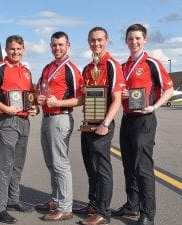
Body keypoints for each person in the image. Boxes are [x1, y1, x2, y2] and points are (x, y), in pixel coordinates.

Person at [112, 23, 174, 225]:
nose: (134, 42)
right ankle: (132, 205)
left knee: (143, 168)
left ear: (145, 39)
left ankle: (148, 213)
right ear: (126, 41)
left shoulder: (151, 63)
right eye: (130, 38)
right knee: (128, 165)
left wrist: (154, 106)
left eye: (138, 38)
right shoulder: (123, 66)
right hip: (127, 119)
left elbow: (168, 89)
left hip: (144, 120)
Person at [0, 35, 38, 224]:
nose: (16, 52)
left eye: (19, 49)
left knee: (17, 164)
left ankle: (13, 199)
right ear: (6, 50)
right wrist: (5, 108)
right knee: (4, 165)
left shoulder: (27, 71)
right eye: (12, 49)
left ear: (23, 49)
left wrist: (34, 107)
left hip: (23, 121)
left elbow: (31, 96)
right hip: (6, 120)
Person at [74, 27, 125, 225]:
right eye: (93, 40)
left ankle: (103, 211)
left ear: (107, 40)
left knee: (102, 169)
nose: (96, 43)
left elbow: (117, 98)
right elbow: (83, 96)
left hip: (103, 124)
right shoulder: (88, 68)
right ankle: (93, 204)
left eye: (100, 40)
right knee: (90, 166)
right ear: (88, 42)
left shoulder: (111, 65)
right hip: (88, 124)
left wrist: (105, 123)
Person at [34, 31, 84, 221]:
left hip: (60, 117)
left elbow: (81, 98)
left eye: (61, 45)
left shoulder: (71, 69)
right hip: (47, 118)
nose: (57, 48)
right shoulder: (47, 68)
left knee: (60, 163)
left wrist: (59, 103)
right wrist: (40, 98)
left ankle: (65, 207)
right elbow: (41, 90)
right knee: (51, 162)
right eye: (54, 45)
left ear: (68, 45)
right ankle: (55, 200)